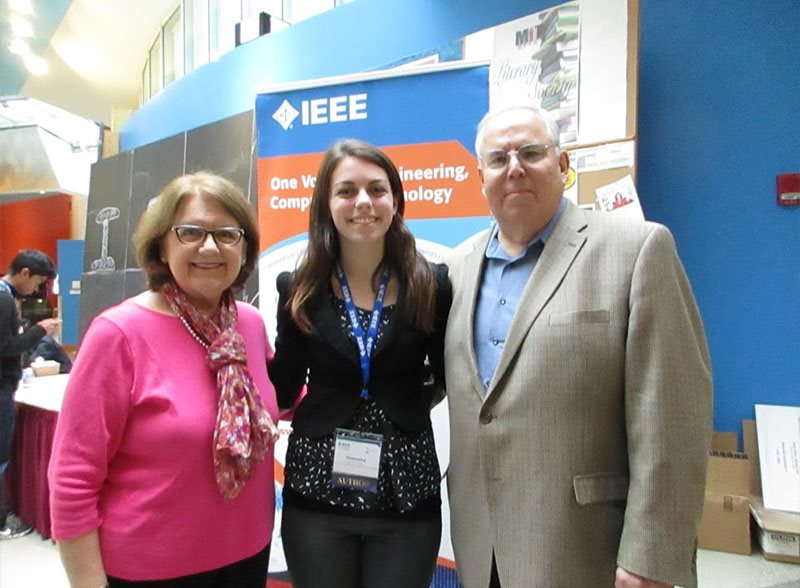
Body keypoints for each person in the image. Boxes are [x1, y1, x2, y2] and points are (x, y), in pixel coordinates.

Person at [444, 105, 712, 588]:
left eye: (531, 152)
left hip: (586, 549)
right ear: (480, 176)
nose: (515, 168)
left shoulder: (636, 249)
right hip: (481, 545)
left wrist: (651, 556)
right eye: (499, 158)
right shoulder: (457, 269)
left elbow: (673, 416)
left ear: (563, 165)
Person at [48, 172, 280, 588]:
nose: (210, 247)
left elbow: (280, 397)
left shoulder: (248, 325)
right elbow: (72, 480)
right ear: (161, 245)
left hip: (248, 554)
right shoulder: (118, 334)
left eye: (227, 234)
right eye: (191, 232)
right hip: (151, 570)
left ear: (244, 248)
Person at [268, 139, 451, 588]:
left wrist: (412, 401)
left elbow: (450, 376)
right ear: (326, 204)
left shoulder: (432, 284)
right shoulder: (299, 289)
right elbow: (284, 388)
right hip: (316, 497)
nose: (363, 202)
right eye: (346, 191)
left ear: (395, 200)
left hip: (408, 496)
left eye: (377, 189)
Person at [0, 249, 60, 539]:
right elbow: (6, 346)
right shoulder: (3, 299)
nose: (37, 290)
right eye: (38, 282)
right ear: (24, 273)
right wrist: (39, 331)